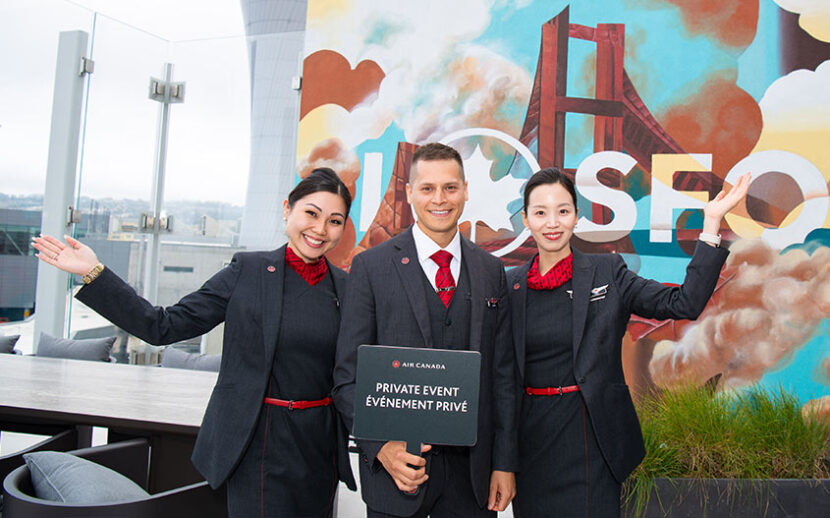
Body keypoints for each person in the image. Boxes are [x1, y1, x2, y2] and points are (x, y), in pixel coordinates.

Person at [32, 167, 357, 517]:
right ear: (287, 210)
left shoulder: (348, 288)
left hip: (319, 447)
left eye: (335, 221)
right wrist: (94, 274)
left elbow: (356, 371)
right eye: (311, 213)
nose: (320, 229)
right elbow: (163, 325)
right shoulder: (247, 273)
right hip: (257, 443)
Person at [506, 168, 751, 517]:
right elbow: (498, 376)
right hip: (531, 443)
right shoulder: (510, 286)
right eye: (540, 212)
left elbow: (684, 303)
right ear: (526, 220)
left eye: (562, 210)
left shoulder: (608, 272)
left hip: (593, 441)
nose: (552, 222)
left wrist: (711, 223)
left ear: (576, 215)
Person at [332, 143, 518, 517]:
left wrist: (504, 462)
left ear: (465, 190)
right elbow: (347, 377)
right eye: (428, 188)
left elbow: (504, 379)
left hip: (473, 478)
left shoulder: (491, 271)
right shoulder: (370, 268)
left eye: (450, 188)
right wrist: (381, 446)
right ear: (410, 192)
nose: (440, 199)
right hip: (397, 476)